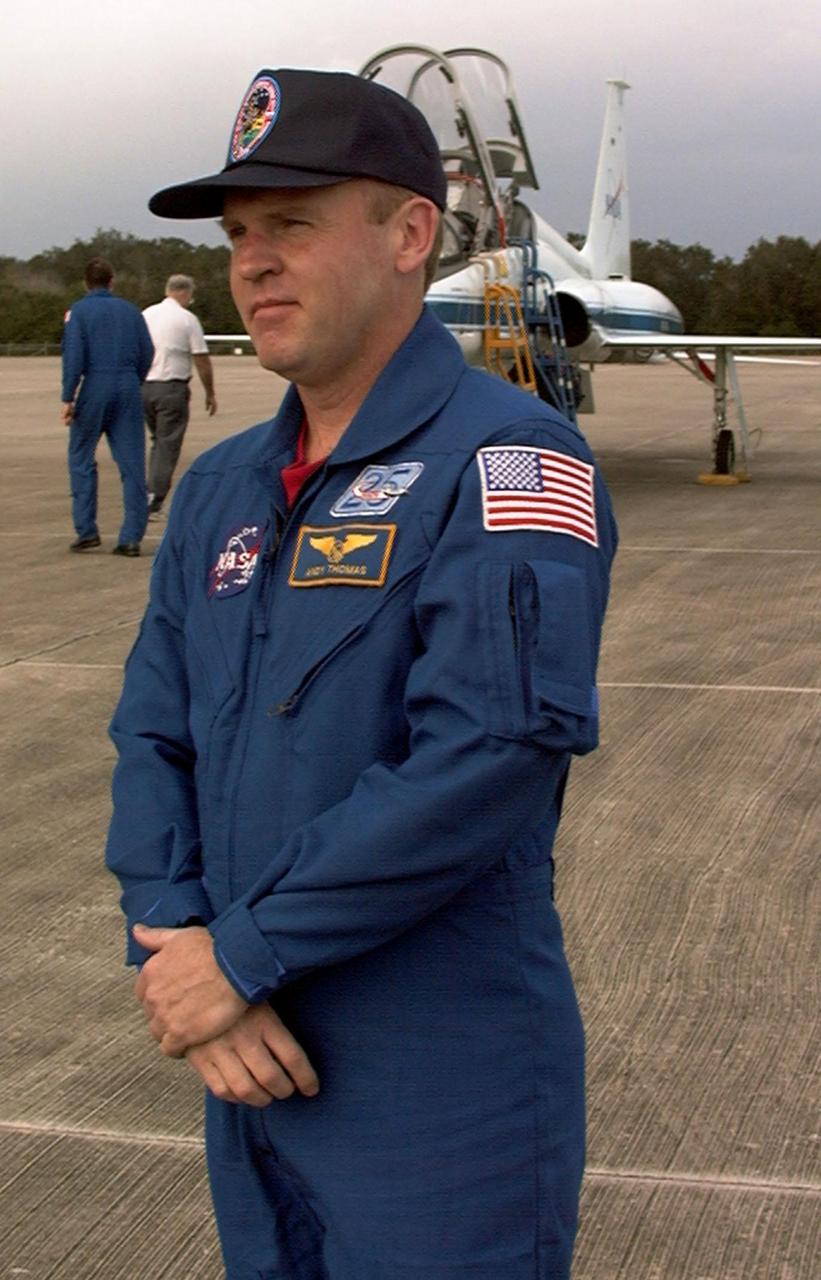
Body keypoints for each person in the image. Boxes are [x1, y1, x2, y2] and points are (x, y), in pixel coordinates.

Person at [106, 67, 617, 1280]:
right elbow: (151, 735)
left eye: (291, 222)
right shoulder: (225, 489)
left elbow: (486, 755)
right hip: (249, 1053)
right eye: (237, 234)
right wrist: (172, 938)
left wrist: (238, 956)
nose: (252, 262)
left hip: (435, 1076)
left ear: (407, 233)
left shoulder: (506, 456)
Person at [61, 257, 153, 556]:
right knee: (132, 464)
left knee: (81, 457)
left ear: (86, 283)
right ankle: (131, 537)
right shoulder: (131, 311)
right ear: (112, 281)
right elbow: (147, 351)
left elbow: (73, 357)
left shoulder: (79, 312)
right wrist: (133, 379)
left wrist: (68, 397)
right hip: (127, 385)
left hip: (95, 385)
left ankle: (87, 530)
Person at [141, 274, 217, 517]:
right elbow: (201, 358)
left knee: (157, 440)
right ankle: (155, 497)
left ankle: (148, 490)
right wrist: (210, 392)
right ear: (185, 293)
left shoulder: (146, 315)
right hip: (171, 388)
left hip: (144, 386)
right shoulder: (187, 320)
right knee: (168, 443)